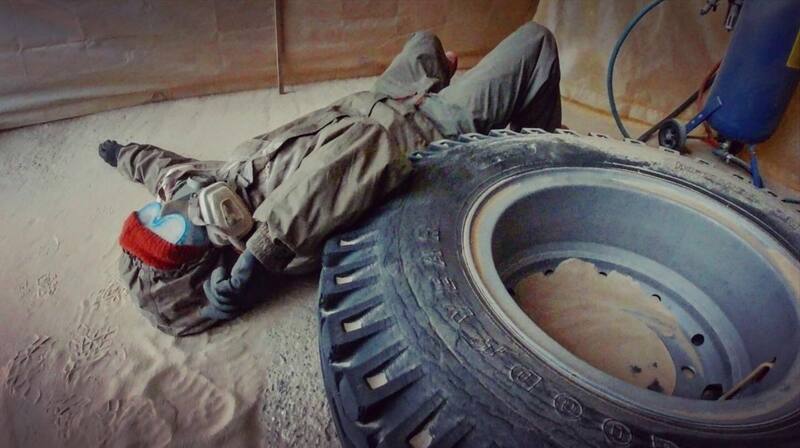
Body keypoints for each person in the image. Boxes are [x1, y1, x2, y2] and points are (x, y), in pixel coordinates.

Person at [100, 21, 562, 336]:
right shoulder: (284, 234)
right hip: (431, 127)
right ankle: (533, 154)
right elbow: (360, 148)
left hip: (378, 97)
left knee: (426, 42)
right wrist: (259, 257)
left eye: (152, 212)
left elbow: (163, 170)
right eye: (170, 227)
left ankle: (448, 79)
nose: (171, 206)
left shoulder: (209, 186)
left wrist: (123, 154)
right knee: (535, 42)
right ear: (201, 261)